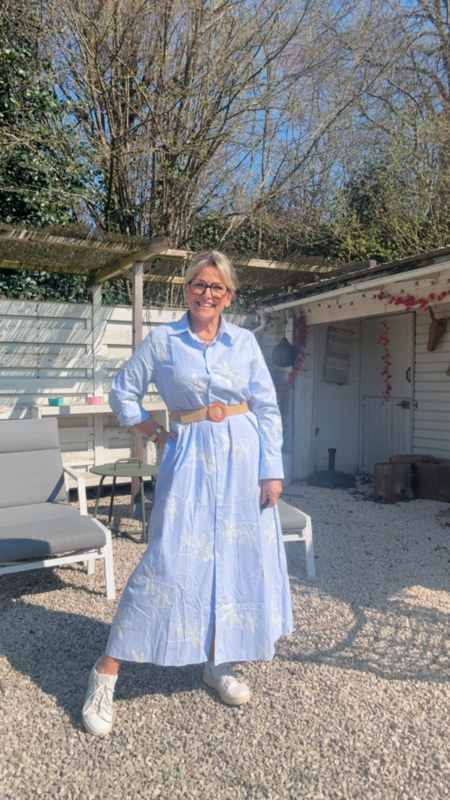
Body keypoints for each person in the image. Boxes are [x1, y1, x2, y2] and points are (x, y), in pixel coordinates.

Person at [82, 250, 293, 736]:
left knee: (234, 561)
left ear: (229, 295)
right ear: (186, 290)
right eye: (199, 284)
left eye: (217, 287)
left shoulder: (244, 342)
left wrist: (272, 470)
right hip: (190, 459)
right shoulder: (163, 341)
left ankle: (217, 661)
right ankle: (105, 671)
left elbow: (266, 408)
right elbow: (122, 392)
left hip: (244, 462)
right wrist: (157, 434)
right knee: (168, 561)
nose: (207, 293)